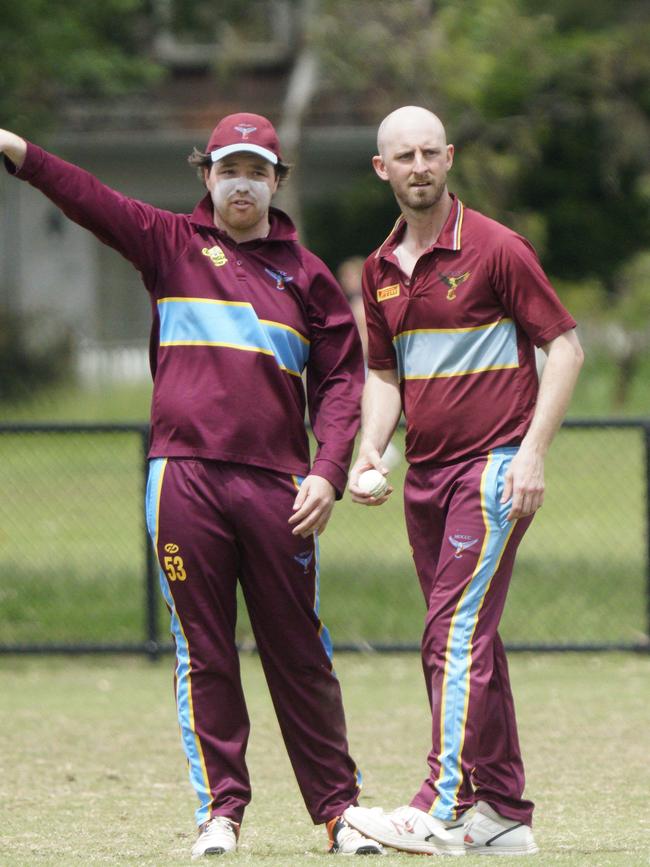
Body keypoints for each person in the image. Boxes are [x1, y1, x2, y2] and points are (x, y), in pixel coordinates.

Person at [0, 114, 383, 858]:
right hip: (185, 481)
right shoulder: (170, 244)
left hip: (281, 488)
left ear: (277, 181)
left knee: (298, 650)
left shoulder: (306, 276)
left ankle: (340, 812)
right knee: (204, 649)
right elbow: (87, 196)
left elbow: (342, 383)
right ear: (205, 175)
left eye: (257, 170)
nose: (242, 182)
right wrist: (15, 150)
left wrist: (328, 473)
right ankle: (222, 813)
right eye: (228, 168)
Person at [342, 106, 584, 857]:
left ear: (448, 158)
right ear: (382, 169)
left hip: (493, 467)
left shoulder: (495, 247)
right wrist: (369, 450)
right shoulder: (379, 270)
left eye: (429, 153)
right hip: (425, 478)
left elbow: (567, 348)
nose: (419, 166)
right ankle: (503, 809)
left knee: (449, 634)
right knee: (470, 636)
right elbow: (383, 374)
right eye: (402, 157)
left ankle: (439, 805)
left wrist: (533, 452)